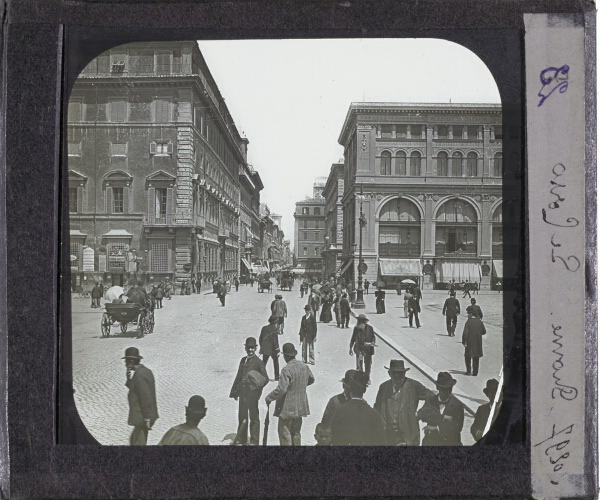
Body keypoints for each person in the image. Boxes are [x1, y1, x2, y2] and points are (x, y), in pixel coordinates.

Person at [374, 360, 434, 446]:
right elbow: (377, 408)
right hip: (388, 435)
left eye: (400, 373)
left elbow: (432, 397)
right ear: (389, 373)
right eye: (394, 373)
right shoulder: (383, 387)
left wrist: (420, 413)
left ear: (404, 373)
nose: (397, 376)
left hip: (408, 435)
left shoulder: (413, 385)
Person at [265, 343, 315, 446]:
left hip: (287, 409)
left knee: (285, 434)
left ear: (285, 356)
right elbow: (312, 379)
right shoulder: (304, 366)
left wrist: (269, 397)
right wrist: (300, 387)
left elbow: (282, 389)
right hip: (300, 407)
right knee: (296, 433)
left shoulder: (286, 370)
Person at [229, 337, 269, 445]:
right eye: (248, 348)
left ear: (255, 348)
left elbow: (265, 378)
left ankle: (254, 442)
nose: (250, 350)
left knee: (254, 418)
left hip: (252, 395)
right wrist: (235, 392)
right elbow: (238, 376)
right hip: (242, 394)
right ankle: (242, 439)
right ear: (245, 348)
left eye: (252, 348)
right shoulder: (243, 360)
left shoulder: (259, 362)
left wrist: (256, 387)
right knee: (242, 416)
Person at [329, 371, 387, 446]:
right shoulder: (374, 414)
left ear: (350, 389)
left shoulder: (339, 411)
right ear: (364, 390)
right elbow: (381, 442)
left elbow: (330, 437)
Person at [123, 347, 159, 445]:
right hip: (143, 417)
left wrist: (147, 418)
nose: (125, 363)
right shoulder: (144, 371)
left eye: (126, 361)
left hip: (142, 417)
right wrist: (129, 380)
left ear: (131, 361)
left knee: (138, 444)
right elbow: (137, 390)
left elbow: (145, 398)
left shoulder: (140, 376)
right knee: (133, 441)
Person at [417, 372, 465, 446]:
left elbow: (456, 427)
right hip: (431, 443)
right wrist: (443, 418)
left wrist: (436, 428)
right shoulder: (430, 400)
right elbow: (423, 414)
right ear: (437, 387)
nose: (448, 392)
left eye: (450, 388)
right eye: (444, 389)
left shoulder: (457, 405)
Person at [349, 314, 376, 383]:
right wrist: (350, 348)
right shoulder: (356, 328)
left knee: (367, 365)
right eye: (358, 321)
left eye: (360, 322)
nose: (359, 323)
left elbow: (373, 337)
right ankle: (360, 379)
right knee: (359, 365)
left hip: (367, 349)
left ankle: (367, 379)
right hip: (359, 349)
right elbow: (353, 338)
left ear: (364, 322)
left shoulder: (370, 328)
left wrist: (372, 343)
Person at [462, 310, 486, 376]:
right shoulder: (480, 322)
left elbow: (465, 333)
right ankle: (475, 372)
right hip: (478, 341)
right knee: (476, 356)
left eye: (468, 314)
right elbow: (484, 331)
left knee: (467, 356)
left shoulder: (468, 322)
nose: (467, 315)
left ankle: (468, 371)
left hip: (469, 341)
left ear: (471, 314)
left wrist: (464, 341)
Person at [259, 315, 280, 381]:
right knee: (276, 362)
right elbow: (275, 340)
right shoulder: (274, 329)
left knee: (264, 363)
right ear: (275, 322)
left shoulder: (264, 328)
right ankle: (277, 377)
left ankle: (261, 376)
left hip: (265, 349)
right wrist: (277, 350)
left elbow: (260, 339)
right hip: (273, 349)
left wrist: (262, 347)